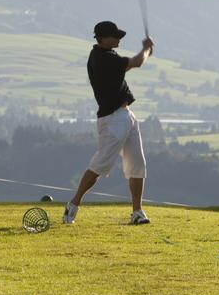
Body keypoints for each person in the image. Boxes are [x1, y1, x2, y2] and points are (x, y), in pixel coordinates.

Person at [64, 20, 155, 226]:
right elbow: (137, 62)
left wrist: (146, 51)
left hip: (126, 116)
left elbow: (130, 64)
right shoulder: (102, 58)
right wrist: (147, 49)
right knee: (101, 164)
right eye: (115, 36)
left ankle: (137, 212)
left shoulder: (107, 56)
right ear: (103, 38)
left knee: (137, 165)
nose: (119, 39)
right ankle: (73, 204)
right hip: (112, 119)